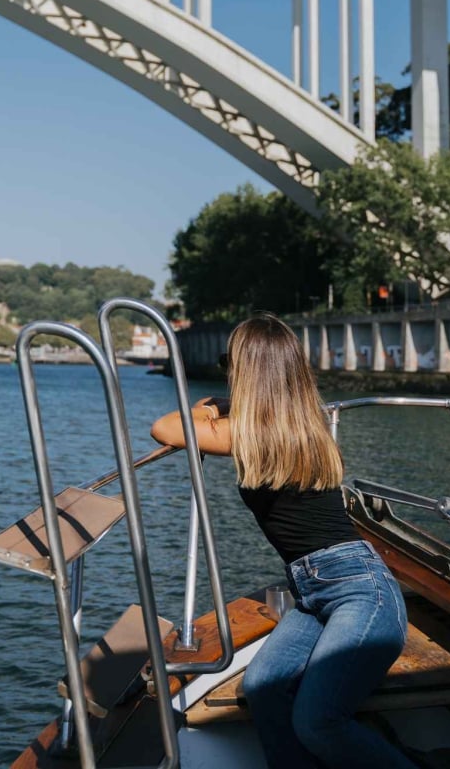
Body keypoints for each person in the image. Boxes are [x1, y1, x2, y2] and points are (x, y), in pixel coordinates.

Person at [150, 313, 413, 769]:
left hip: (361, 593)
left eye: (228, 361)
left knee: (319, 722)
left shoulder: (252, 434)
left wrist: (213, 405)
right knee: (263, 689)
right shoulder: (302, 422)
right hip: (313, 593)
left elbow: (166, 426)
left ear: (246, 370)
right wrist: (229, 403)